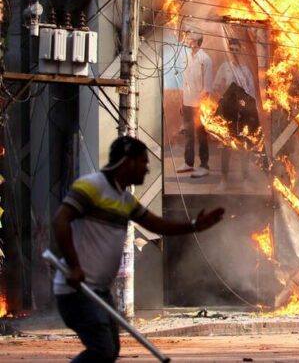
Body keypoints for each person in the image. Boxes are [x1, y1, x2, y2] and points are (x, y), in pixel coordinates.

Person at [52, 136, 225, 363]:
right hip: (77, 290)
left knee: (110, 350)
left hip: (99, 291)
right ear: (128, 162)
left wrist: (194, 226)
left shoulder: (124, 199)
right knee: (102, 350)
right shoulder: (92, 186)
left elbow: (156, 224)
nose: (147, 168)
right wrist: (74, 266)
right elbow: (60, 221)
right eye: (143, 162)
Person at [212, 38, 257, 190]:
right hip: (228, 113)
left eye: (237, 50)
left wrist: (246, 104)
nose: (234, 52)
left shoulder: (245, 71)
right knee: (226, 146)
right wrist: (225, 100)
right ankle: (223, 180)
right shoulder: (224, 68)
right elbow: (216, 87)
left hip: (243, 113)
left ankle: (245, 180)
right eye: (232, 49)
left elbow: (251, 92)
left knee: (244, 146)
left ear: (240, 51)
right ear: (229, 51)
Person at [177, 31, 213, 178]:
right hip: (186, 102)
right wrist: (182, 101)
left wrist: (200, 107)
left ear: (198, 41)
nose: (187, 39)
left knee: (201, 135)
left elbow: (207, 87)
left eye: (190, 38)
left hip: (199, 105)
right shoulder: (186, 57)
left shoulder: (206, 59)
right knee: (188, 134)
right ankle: (188, 163)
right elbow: (185, 83)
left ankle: (204, 165)